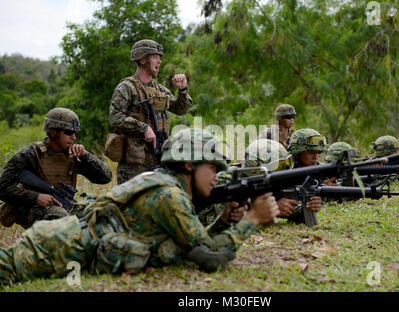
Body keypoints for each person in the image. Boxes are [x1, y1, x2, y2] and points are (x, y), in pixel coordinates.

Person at [0, 128, 279, 285]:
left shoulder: (163, 183)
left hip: (59, 239)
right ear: (189, 165)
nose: (217, 175)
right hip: (54, 247)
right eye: (212, 167)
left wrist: (224, 220)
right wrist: (253, 218)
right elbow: (209, 255)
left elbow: (190, 241)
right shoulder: (169, 195)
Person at [0, 108, 112, 229]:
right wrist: (36, 197)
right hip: (30, 208)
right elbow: (2, 187)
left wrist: (85, 156)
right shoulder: (31, 154)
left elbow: (105, 178)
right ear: (53, 132)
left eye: (75, 133)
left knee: (100, 216)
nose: (73, 137)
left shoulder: (73, 154)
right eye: (69, 132)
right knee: (60, 216)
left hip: (63, 204)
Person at [109, 39, 193, 184]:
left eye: (160, 57)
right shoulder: (126, 88)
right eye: (155, 57)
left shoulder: (159, 90)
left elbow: (181, 109)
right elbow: (115, 119)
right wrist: (144, 128)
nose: (159, 61)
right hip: (134, 166)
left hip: (160, 159)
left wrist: (182, 90)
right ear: (142, 59)